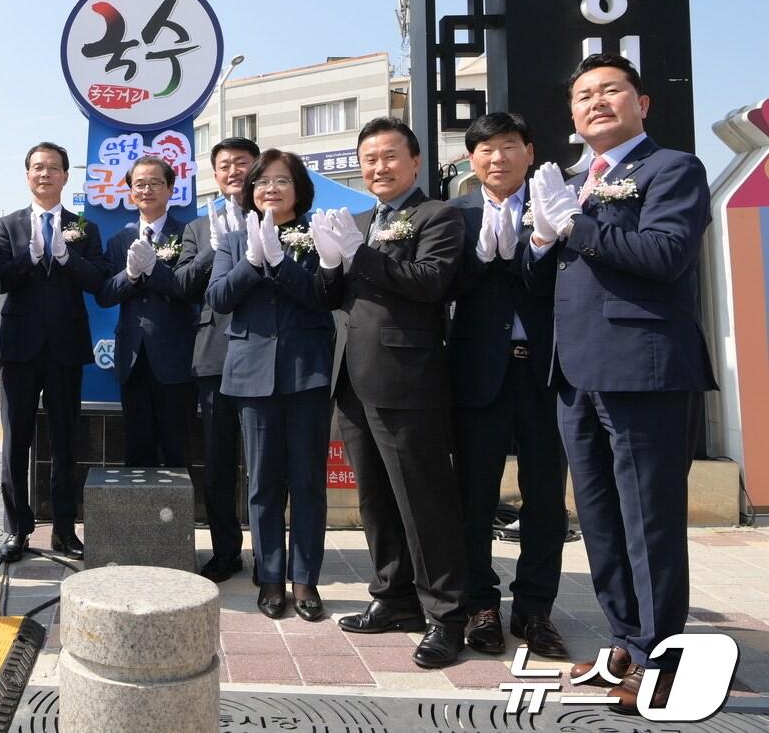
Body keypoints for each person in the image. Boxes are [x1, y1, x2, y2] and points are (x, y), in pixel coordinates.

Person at [524, 54, 716, 713]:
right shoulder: (574, 180)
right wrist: (540, 237)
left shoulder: (673, 169)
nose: (596, 102)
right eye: (583, 95)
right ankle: (625, 644)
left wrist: (577, 224)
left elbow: (666, 254)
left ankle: (663, 659)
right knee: (600, 521)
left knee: (648, 521)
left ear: (642, 103)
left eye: (611, 90)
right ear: (573, 115)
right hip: (576, 371)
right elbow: (551, 274)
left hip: (643, 369)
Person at [310, 116, 468, 668]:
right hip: (351, 376)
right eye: (369, 158)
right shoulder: (357, 219)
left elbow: (431, 282)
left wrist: (361, 255)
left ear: (416, 161)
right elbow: (333, 296)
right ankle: (394, 596)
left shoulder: (438, 215)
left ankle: (447, 616)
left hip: (406, 378)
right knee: (375, 499)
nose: (378, 167)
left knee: (423, 500)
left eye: (390, 156)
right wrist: (330, 263)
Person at [447, 113, 569, 658]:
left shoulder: (557, 203)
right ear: (473, 161)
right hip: (479, 372)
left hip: (544, 370)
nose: (497, 158)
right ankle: (480, 606)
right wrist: (479, 259)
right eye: (486, 150)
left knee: (544, 498)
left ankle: (535, 610)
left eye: (508, 147)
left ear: (529, 150)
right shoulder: (456, 213)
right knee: (474, 496)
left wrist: (539, 243)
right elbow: (444, 286)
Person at [206, 150, 338, 621]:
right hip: (251, 372)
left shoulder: (314, 232)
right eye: (263, 183)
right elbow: (218, 298)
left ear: (299, 189)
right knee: (262, 484)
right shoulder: (234, 238)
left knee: (306, 481)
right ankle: (270, 578)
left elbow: (324, 297)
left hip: (307, 371)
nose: (271, 190)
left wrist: (281, 262)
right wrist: (250, 261)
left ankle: (305, 581)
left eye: (282, 181)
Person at [0, 142, 109, 562]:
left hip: (64, 347)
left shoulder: (84, 228)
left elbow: (98, 281)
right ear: (27, 175)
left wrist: (65, 256)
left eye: (53, 168)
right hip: (19, 348)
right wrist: (29, 257)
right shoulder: (7, 226)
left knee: (65, 441)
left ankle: (63, 528)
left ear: (65, 176)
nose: (45, 174)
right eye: (37, 168)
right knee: (15, 441)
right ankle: (17, 530)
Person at [177, 137, 259, 582]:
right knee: (220, 462)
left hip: (267, 352)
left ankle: (270, 555)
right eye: (224, 165)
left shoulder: (275, 213)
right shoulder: (196, 227)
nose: (233, 172)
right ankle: (226, 551)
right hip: (214, 355)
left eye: (242, 163)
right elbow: (184, 284)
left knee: (266, 465)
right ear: (214, 174)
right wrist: (216, 247)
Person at [96, 156, 194, 466]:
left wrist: (153, 271)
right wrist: (131, 276)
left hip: (176, 356)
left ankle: (177, 516)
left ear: (170, 189)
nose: (147, 189)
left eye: (155, 183)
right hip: (132, 357)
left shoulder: (188, 233)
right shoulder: (119, 240)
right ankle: (141, 516)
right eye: (140, 184)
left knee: (178, 448)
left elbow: (187, 288)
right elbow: (104, 295)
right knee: (137, 451)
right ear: (130, 192)